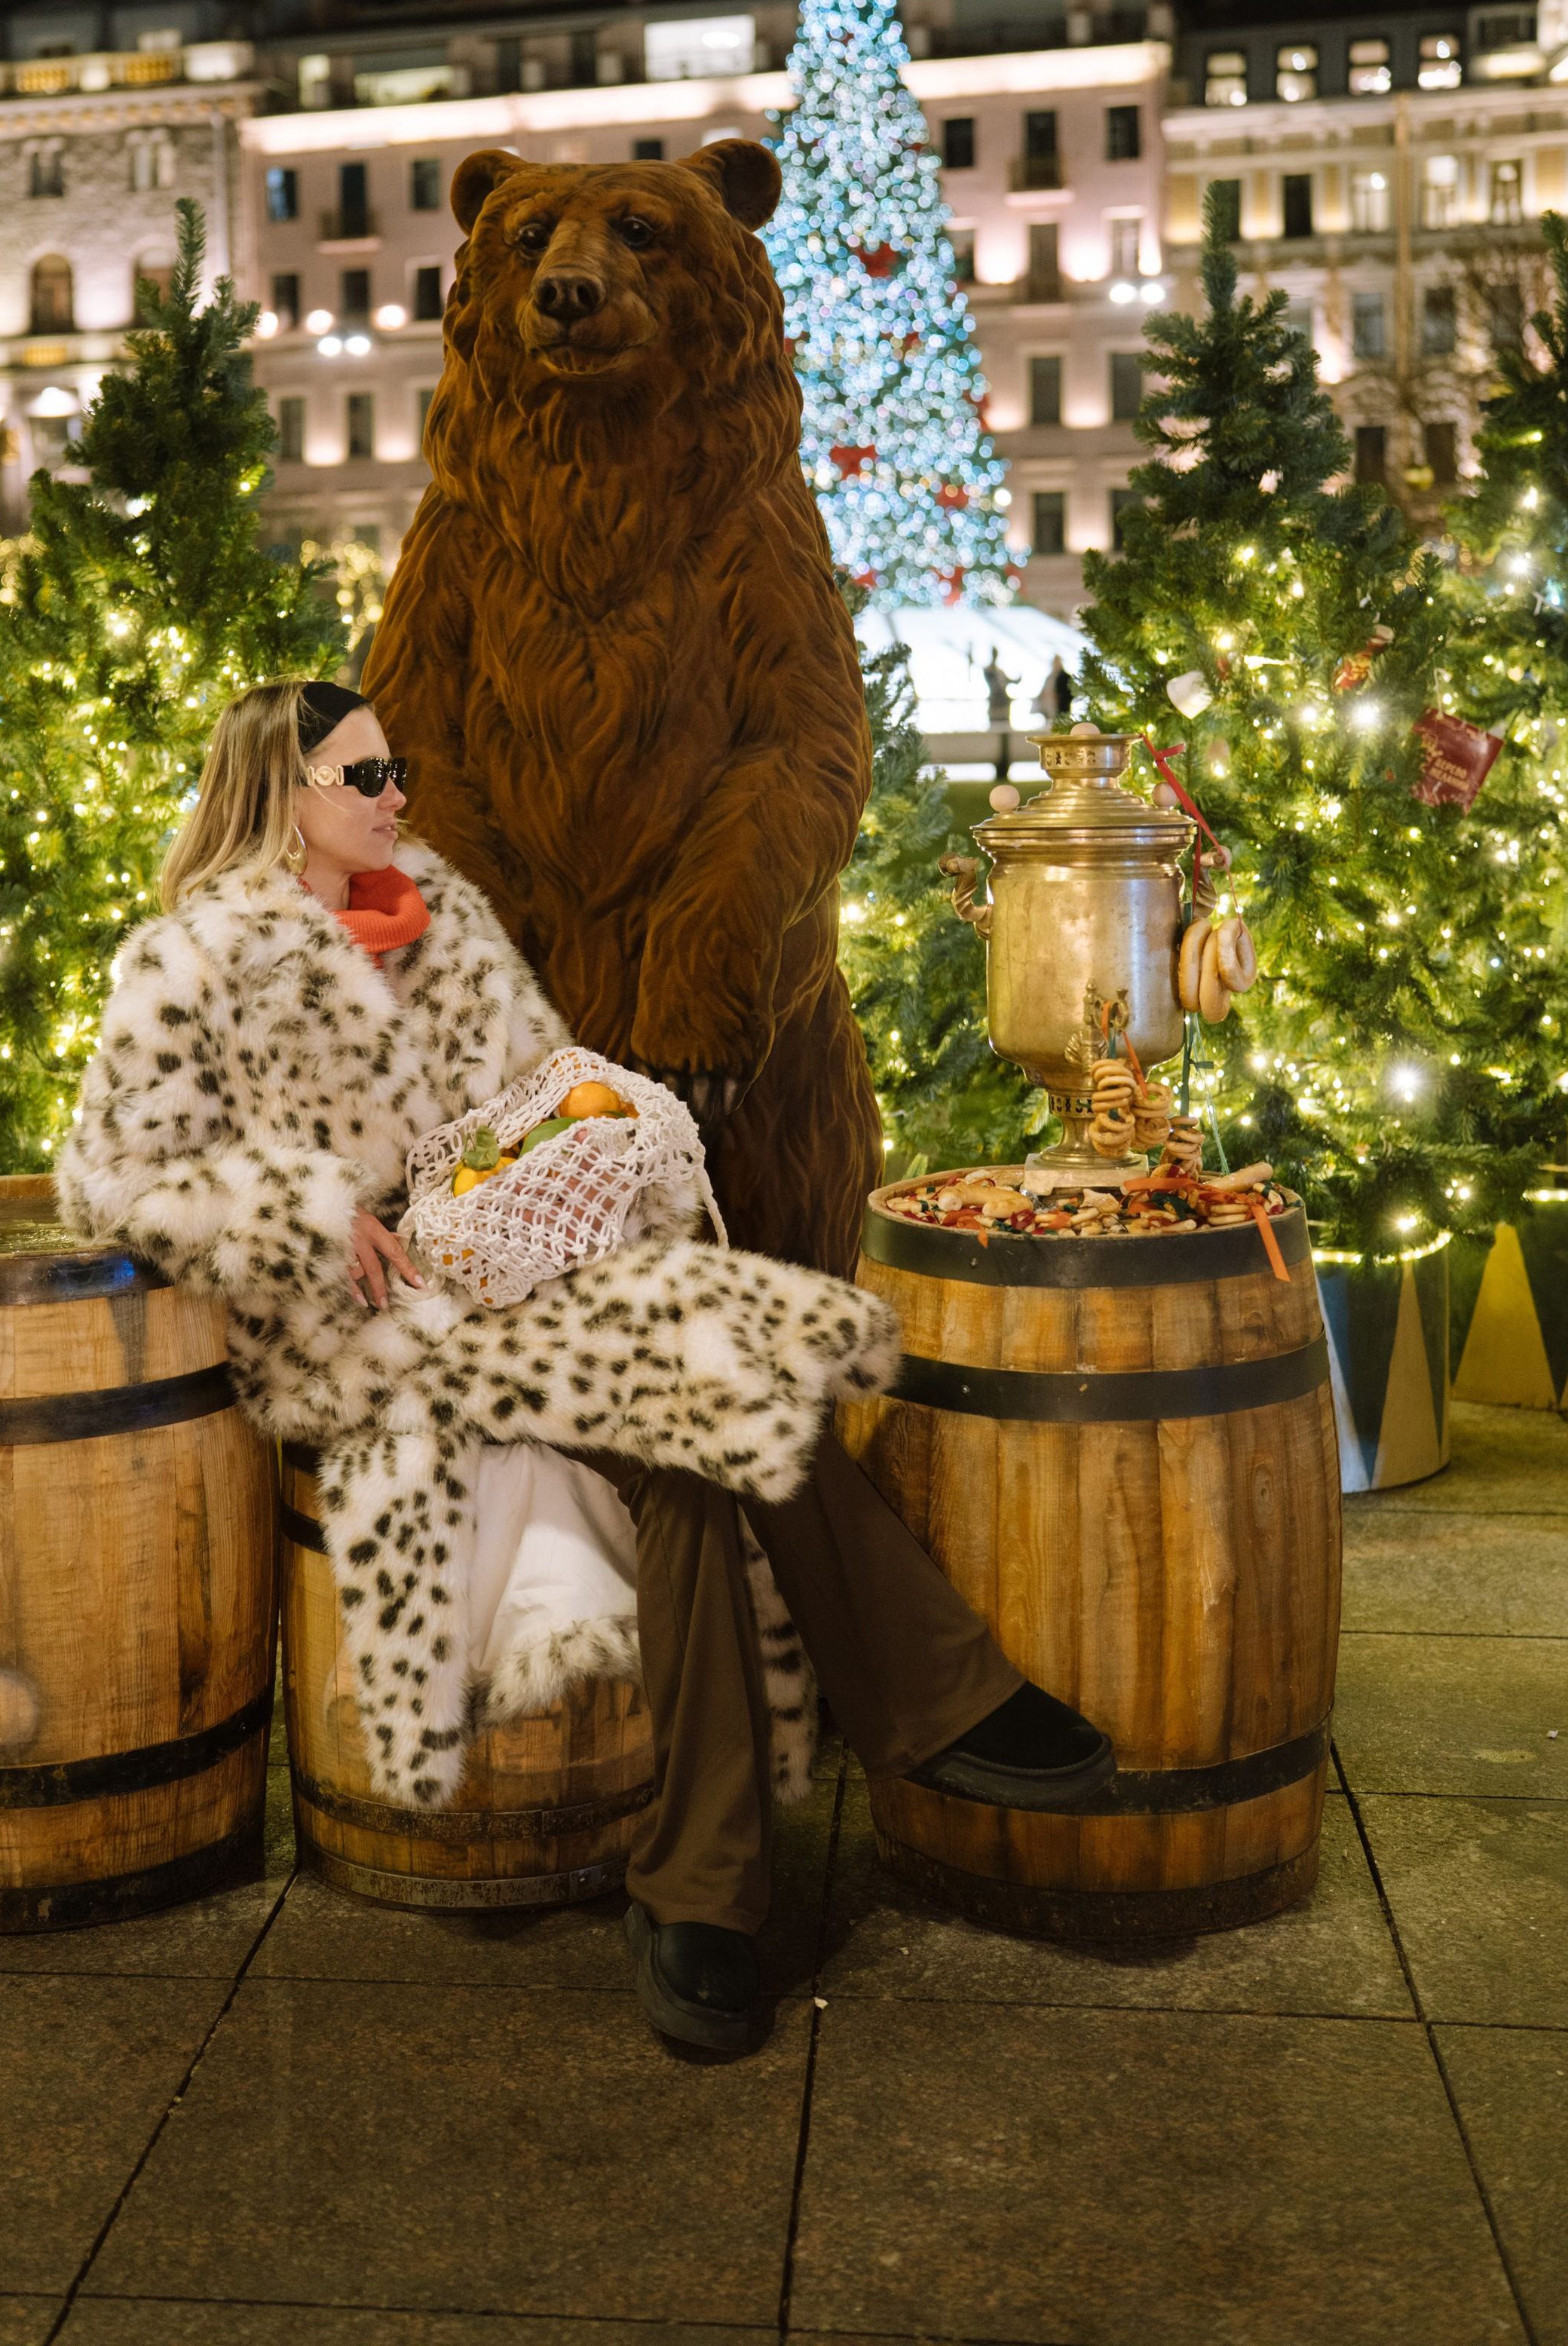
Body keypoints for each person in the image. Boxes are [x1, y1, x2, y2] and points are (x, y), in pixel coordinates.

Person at [59, 679, 1114, 2054]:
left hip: (510, 1271)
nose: (395, 802)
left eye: (397, 775)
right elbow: (112, 1179)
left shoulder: (439, 918)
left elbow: (528, 1090)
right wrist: (319, 1211)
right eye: (365, 779)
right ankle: (928, 1710)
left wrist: (586, 1138)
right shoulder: (183, 962)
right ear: (282, 790)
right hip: (361, 1330)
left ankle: (706, 1893)